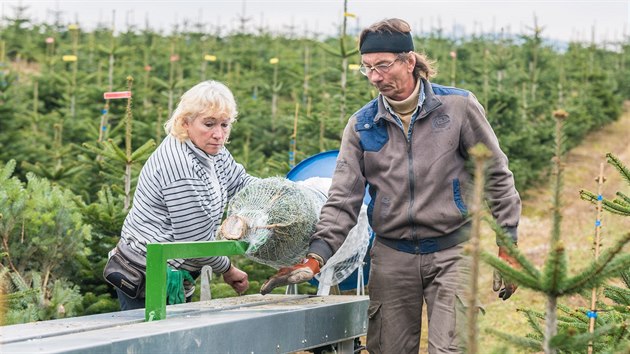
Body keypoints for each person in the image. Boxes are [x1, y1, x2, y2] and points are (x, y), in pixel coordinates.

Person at [261, 18, 522, 353]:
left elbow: (497, 176)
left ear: (409, 61)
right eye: (367, 68)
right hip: (392, 256)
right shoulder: (362, 125)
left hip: (454, 251)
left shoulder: (458, 109)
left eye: (382, 66)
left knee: (452, 348)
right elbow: (343, 199)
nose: (374, 77)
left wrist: (508, 246)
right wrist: (316, 257)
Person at [105, 80, 253, 310]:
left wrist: (280, 192)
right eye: (209, 124)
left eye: (225, 125)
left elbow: (241, 183)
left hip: (176, 271)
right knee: (153, 343)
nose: (218, 134)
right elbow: (195, 241)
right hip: (147, 274)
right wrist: (228, 269)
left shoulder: (212, 150)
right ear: (186, 122)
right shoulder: (180, 166)